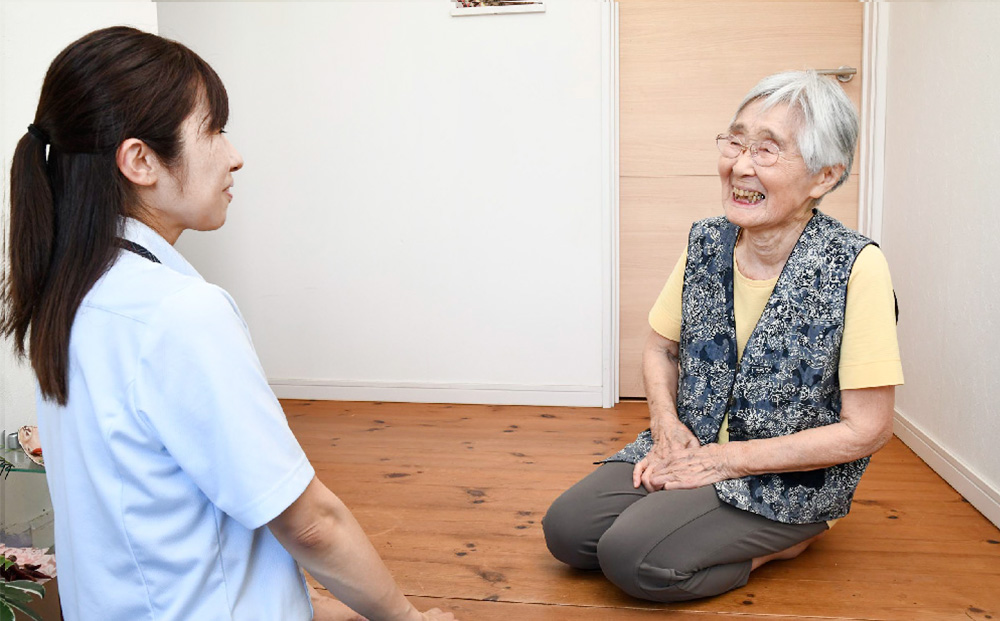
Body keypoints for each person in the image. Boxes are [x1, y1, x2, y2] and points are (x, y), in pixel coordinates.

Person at [1, 26, 456, 621]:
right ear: (140, 160)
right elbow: (312, 524)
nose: (235, 154)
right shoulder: (178, 314)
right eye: (213, 131)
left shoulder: (68, 293)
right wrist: (407, 618)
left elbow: (169, 529)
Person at [543, 70, 903, 602]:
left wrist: (726, 461)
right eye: (736, 141)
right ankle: (681, 514)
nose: (739, 165)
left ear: (824, 177)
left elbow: (867, 430)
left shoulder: (856, 266)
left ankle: (785, 542)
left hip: (784, 475)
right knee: (568, 533)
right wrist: (666, 428)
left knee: (633, 559)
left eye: (767, 150)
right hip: (689, 446)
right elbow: (660, 347)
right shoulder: (707, 241)